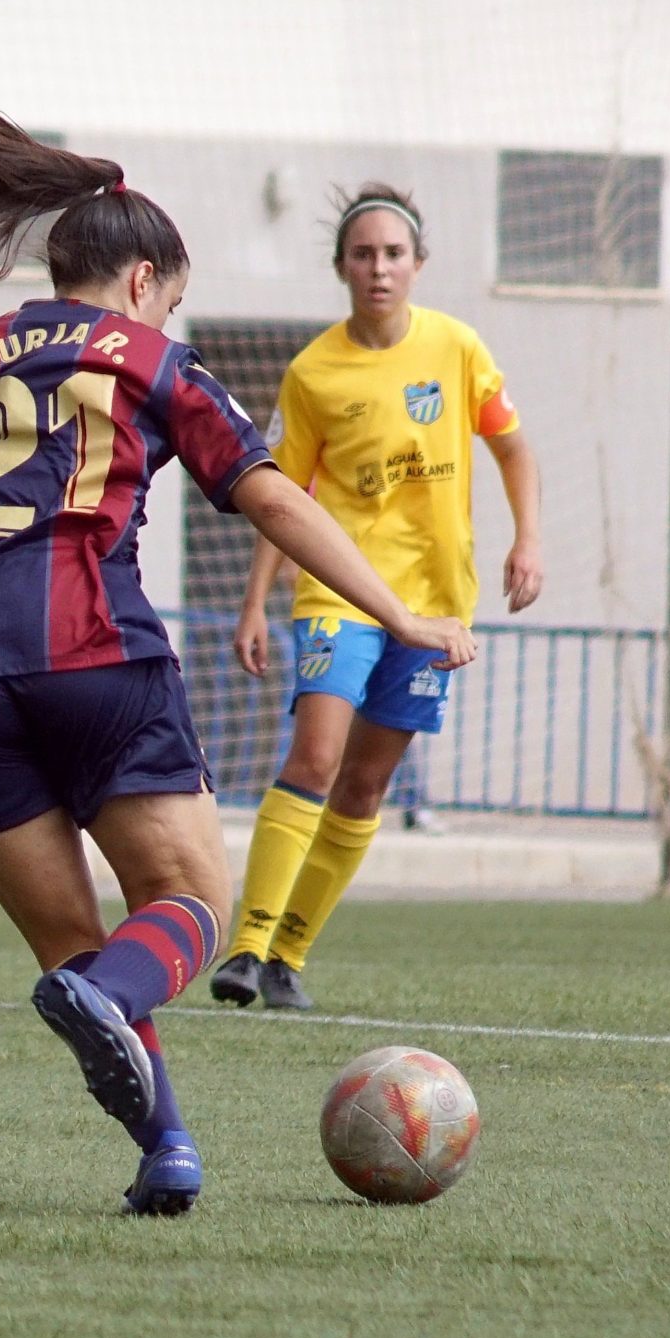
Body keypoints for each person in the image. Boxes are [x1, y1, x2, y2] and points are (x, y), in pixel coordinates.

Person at [0, 106, 478, 1215]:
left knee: (77, 946)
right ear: (142, 281)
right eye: (168, 299)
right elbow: (273, 500)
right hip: (89, 649)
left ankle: (167, 1150)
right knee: (191, 900)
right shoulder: (155, 359)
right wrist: (399, 615)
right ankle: (113, 1012)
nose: (168, 315)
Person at [210, 184, 544, 1012]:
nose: (379, 268)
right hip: (338, 594)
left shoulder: (457, 348)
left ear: (418, 264)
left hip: (435, 603)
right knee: (317, 758)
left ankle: (288, 957)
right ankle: (247, 946)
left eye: (394, 253)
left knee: (364, 785)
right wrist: (255, 604)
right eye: (363, 254)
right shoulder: (313, 372)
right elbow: (278, 496)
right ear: (342, 268)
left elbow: (513, 450)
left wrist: (527, 540)